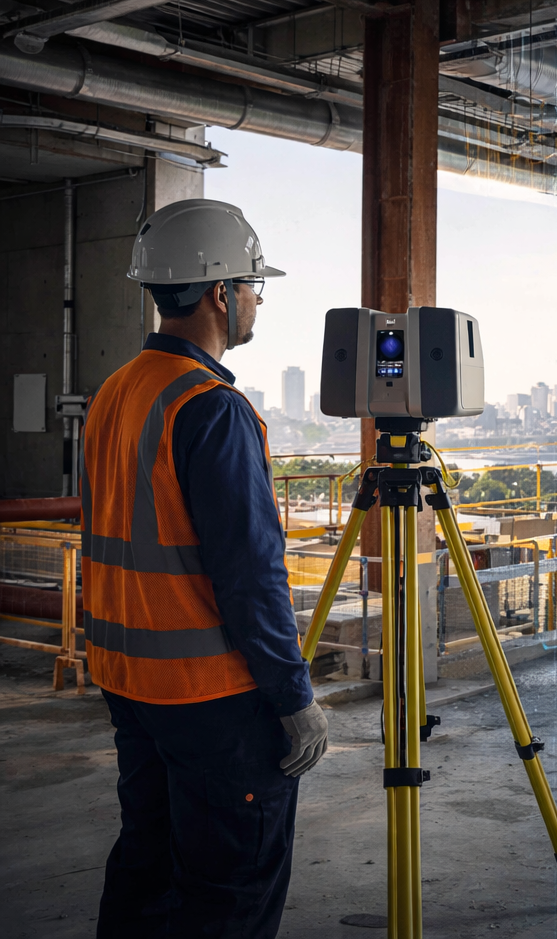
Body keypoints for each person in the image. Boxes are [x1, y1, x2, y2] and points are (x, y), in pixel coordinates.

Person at [81, 198, 328, 938]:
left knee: (147, 872)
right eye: (254, 285)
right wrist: (293, 697)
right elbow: (250, 576)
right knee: (228, 895)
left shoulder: (115, 393)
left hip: (130, 684)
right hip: (213, 699)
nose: (256, 301)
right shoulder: (211, 406)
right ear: (221, 292)